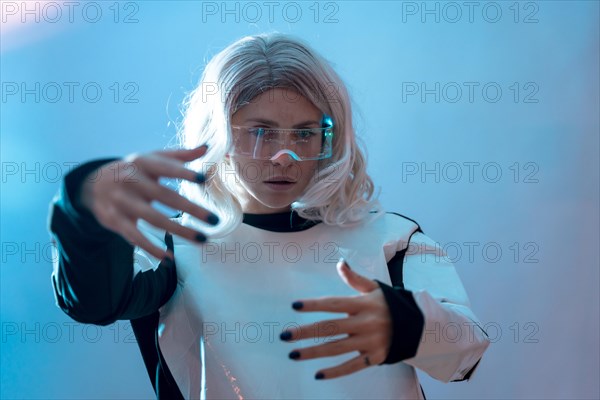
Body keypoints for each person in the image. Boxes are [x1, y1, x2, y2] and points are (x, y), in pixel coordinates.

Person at [48, 32, 490, 399]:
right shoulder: (173, 245)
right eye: (258, 132)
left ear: (330, 139)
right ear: (215, 133)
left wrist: (409, 324)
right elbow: (95, 302)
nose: (283, 156)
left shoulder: (392, 238)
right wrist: (84, 209)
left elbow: (464, 355)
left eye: (304, 132)